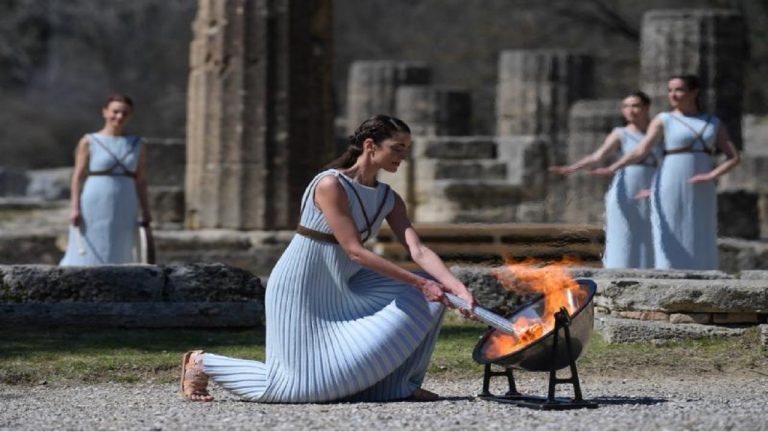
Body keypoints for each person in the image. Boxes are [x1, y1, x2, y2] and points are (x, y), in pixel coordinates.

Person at [180, 114, 479, 403]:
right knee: (295, 387)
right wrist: (420, 283)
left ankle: (399, 385)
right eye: (397, 148)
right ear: (370, 145)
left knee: (432, 297)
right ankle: (203, 363)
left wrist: (457, 288)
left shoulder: (389, 198)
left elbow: (418, 250)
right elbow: (354, 251)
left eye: (406, 149)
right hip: (302, 287)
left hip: (346, 284)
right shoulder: (330, 185)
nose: (403, 156)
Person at [591, 75, 740, 270]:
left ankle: (704, 272)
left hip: (702, 182)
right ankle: (668, 272)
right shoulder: (664, 119)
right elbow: (640, 151)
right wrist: (614, 167)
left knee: (701, 227)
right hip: (670, 179)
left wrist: (711, 175)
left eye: (679, 90)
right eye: (670, 90)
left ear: (694, 92)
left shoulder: (713, 122)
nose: (673, 95)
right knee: (669, 227)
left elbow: (733, 157)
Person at [549, 91, 660, 269]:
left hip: (652, 184)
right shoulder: (621, 133)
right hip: (627, 185)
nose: (630, 110)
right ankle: (619, 270)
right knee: (625, 231)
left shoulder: (658, 132)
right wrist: (573, 168)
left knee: (652, 231)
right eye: (626, 106)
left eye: (635, 106)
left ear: (646, 107)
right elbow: (598, 156)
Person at [59, 94, 152, 266]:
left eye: (125, 113)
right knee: (89, 244)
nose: (119, 117)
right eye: (115, 112)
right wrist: (74, 208)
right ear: (105, 112)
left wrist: (146, 210)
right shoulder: (89, 141)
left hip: (126, 201)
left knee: (121, 244)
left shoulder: (138, 144)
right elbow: (78, 176)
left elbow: (141, 180)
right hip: (95, 200)